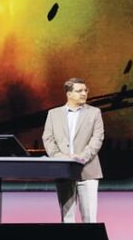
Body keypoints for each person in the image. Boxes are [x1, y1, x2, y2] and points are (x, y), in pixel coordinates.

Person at [42, 78, 104, 223]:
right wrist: (61, 157)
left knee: (89, 218)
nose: (83, 93)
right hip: (64, 170)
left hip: (87, 169)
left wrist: (81, 157)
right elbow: (48, 139)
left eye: (85, 90)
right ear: (69, 94)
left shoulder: (94, 113)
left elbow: (97, 138)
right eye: (79, 91)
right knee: (67, 217)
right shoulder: (53, 114)